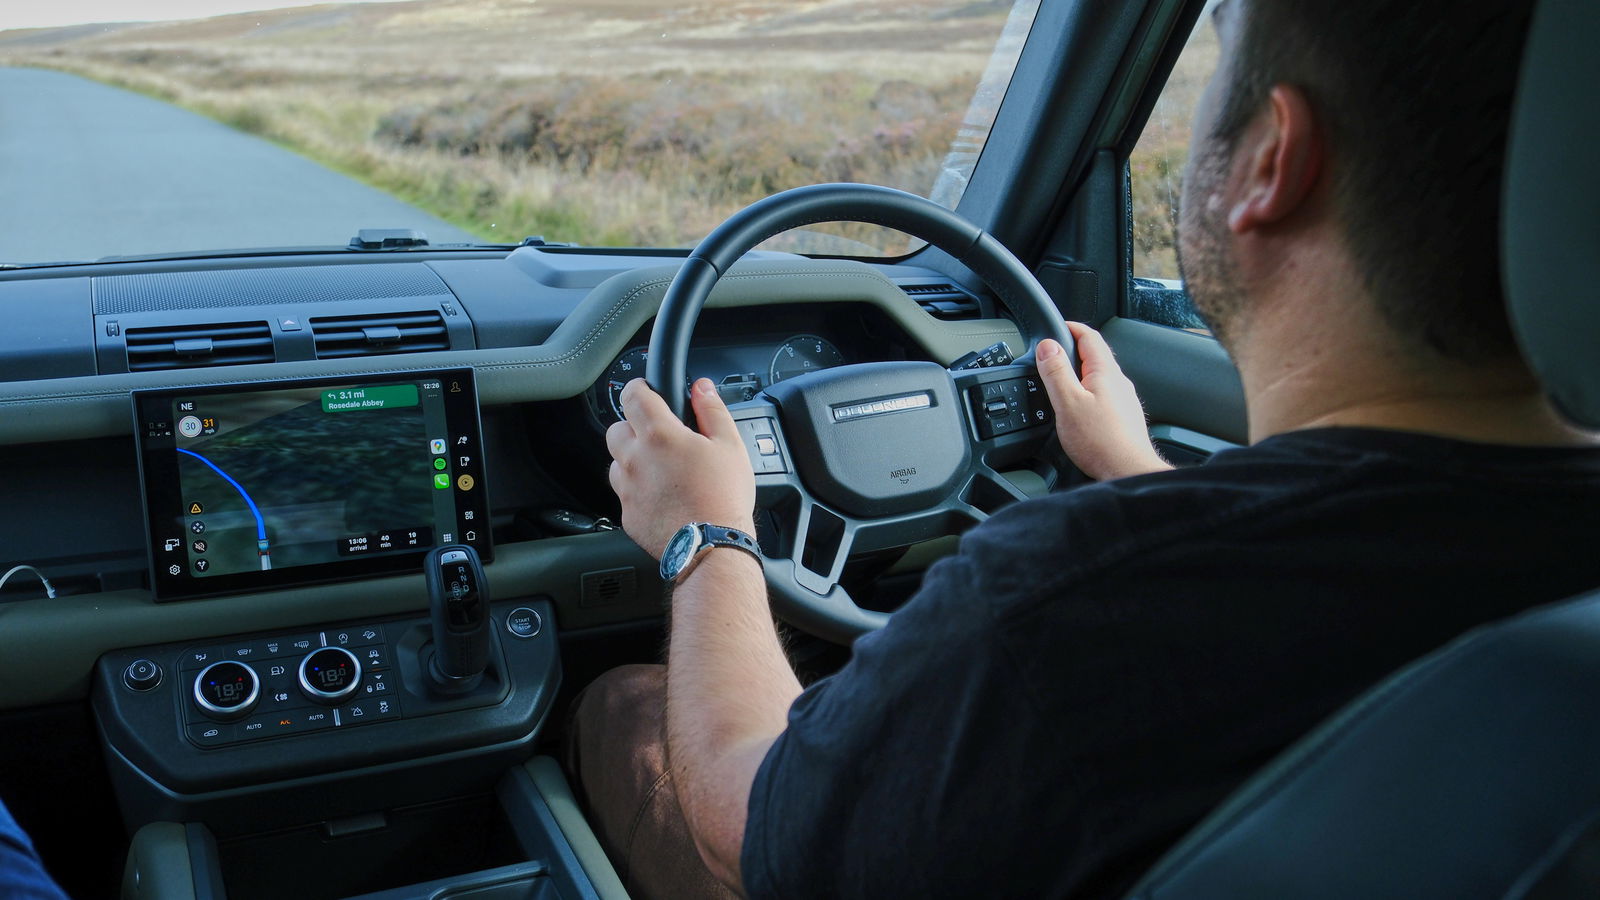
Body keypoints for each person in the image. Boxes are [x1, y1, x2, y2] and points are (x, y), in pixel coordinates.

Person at [575, 0, 1600, 897]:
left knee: (623, 705)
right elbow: (1319, 592)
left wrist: (704, 532)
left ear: (1269, 162)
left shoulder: (1071, 603)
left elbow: (744, 831)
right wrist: (1136, 469)